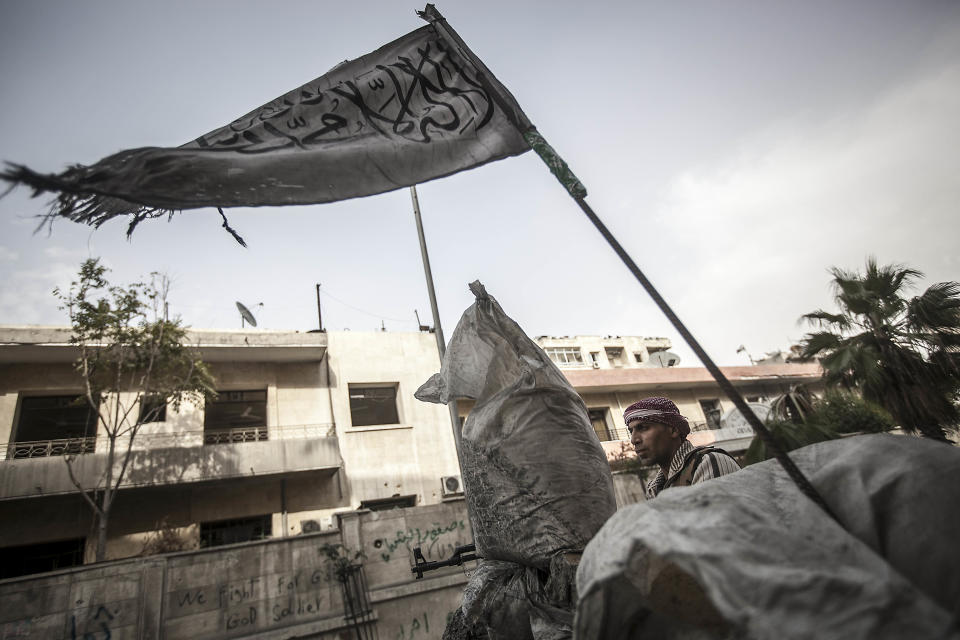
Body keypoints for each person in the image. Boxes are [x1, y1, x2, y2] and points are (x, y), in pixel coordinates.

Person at [624, 396, 740, 499]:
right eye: (631, 431)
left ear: (674, 430)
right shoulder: (654, 488)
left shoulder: (708, 462)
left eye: (643, 428)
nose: (634, 440)